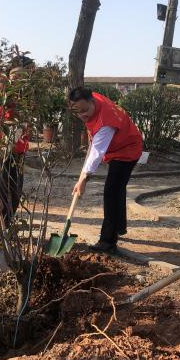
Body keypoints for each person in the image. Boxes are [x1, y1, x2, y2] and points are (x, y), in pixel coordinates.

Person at [69, 87, 143, 254]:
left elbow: (96, 153)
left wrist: (83, 180)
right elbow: (93, 144)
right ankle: (119, 227)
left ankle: (107, 242)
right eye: (77, 112)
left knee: (111, 191)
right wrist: (82, 176)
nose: (82, 116)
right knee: (117, 189)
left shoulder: (106, 121)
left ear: (92, 101)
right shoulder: (90, 98)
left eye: (85, 111)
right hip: (117, 146)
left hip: (127, 149)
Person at [0, 67, 30, 226]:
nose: (17, 82)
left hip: (16, 151)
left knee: (15, 190)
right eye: (14, 78)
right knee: (1, 190)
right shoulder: (1, 97)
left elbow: (19, 126)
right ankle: (2, 227)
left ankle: (6, 224)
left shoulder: (24, 100)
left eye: (21, 78)